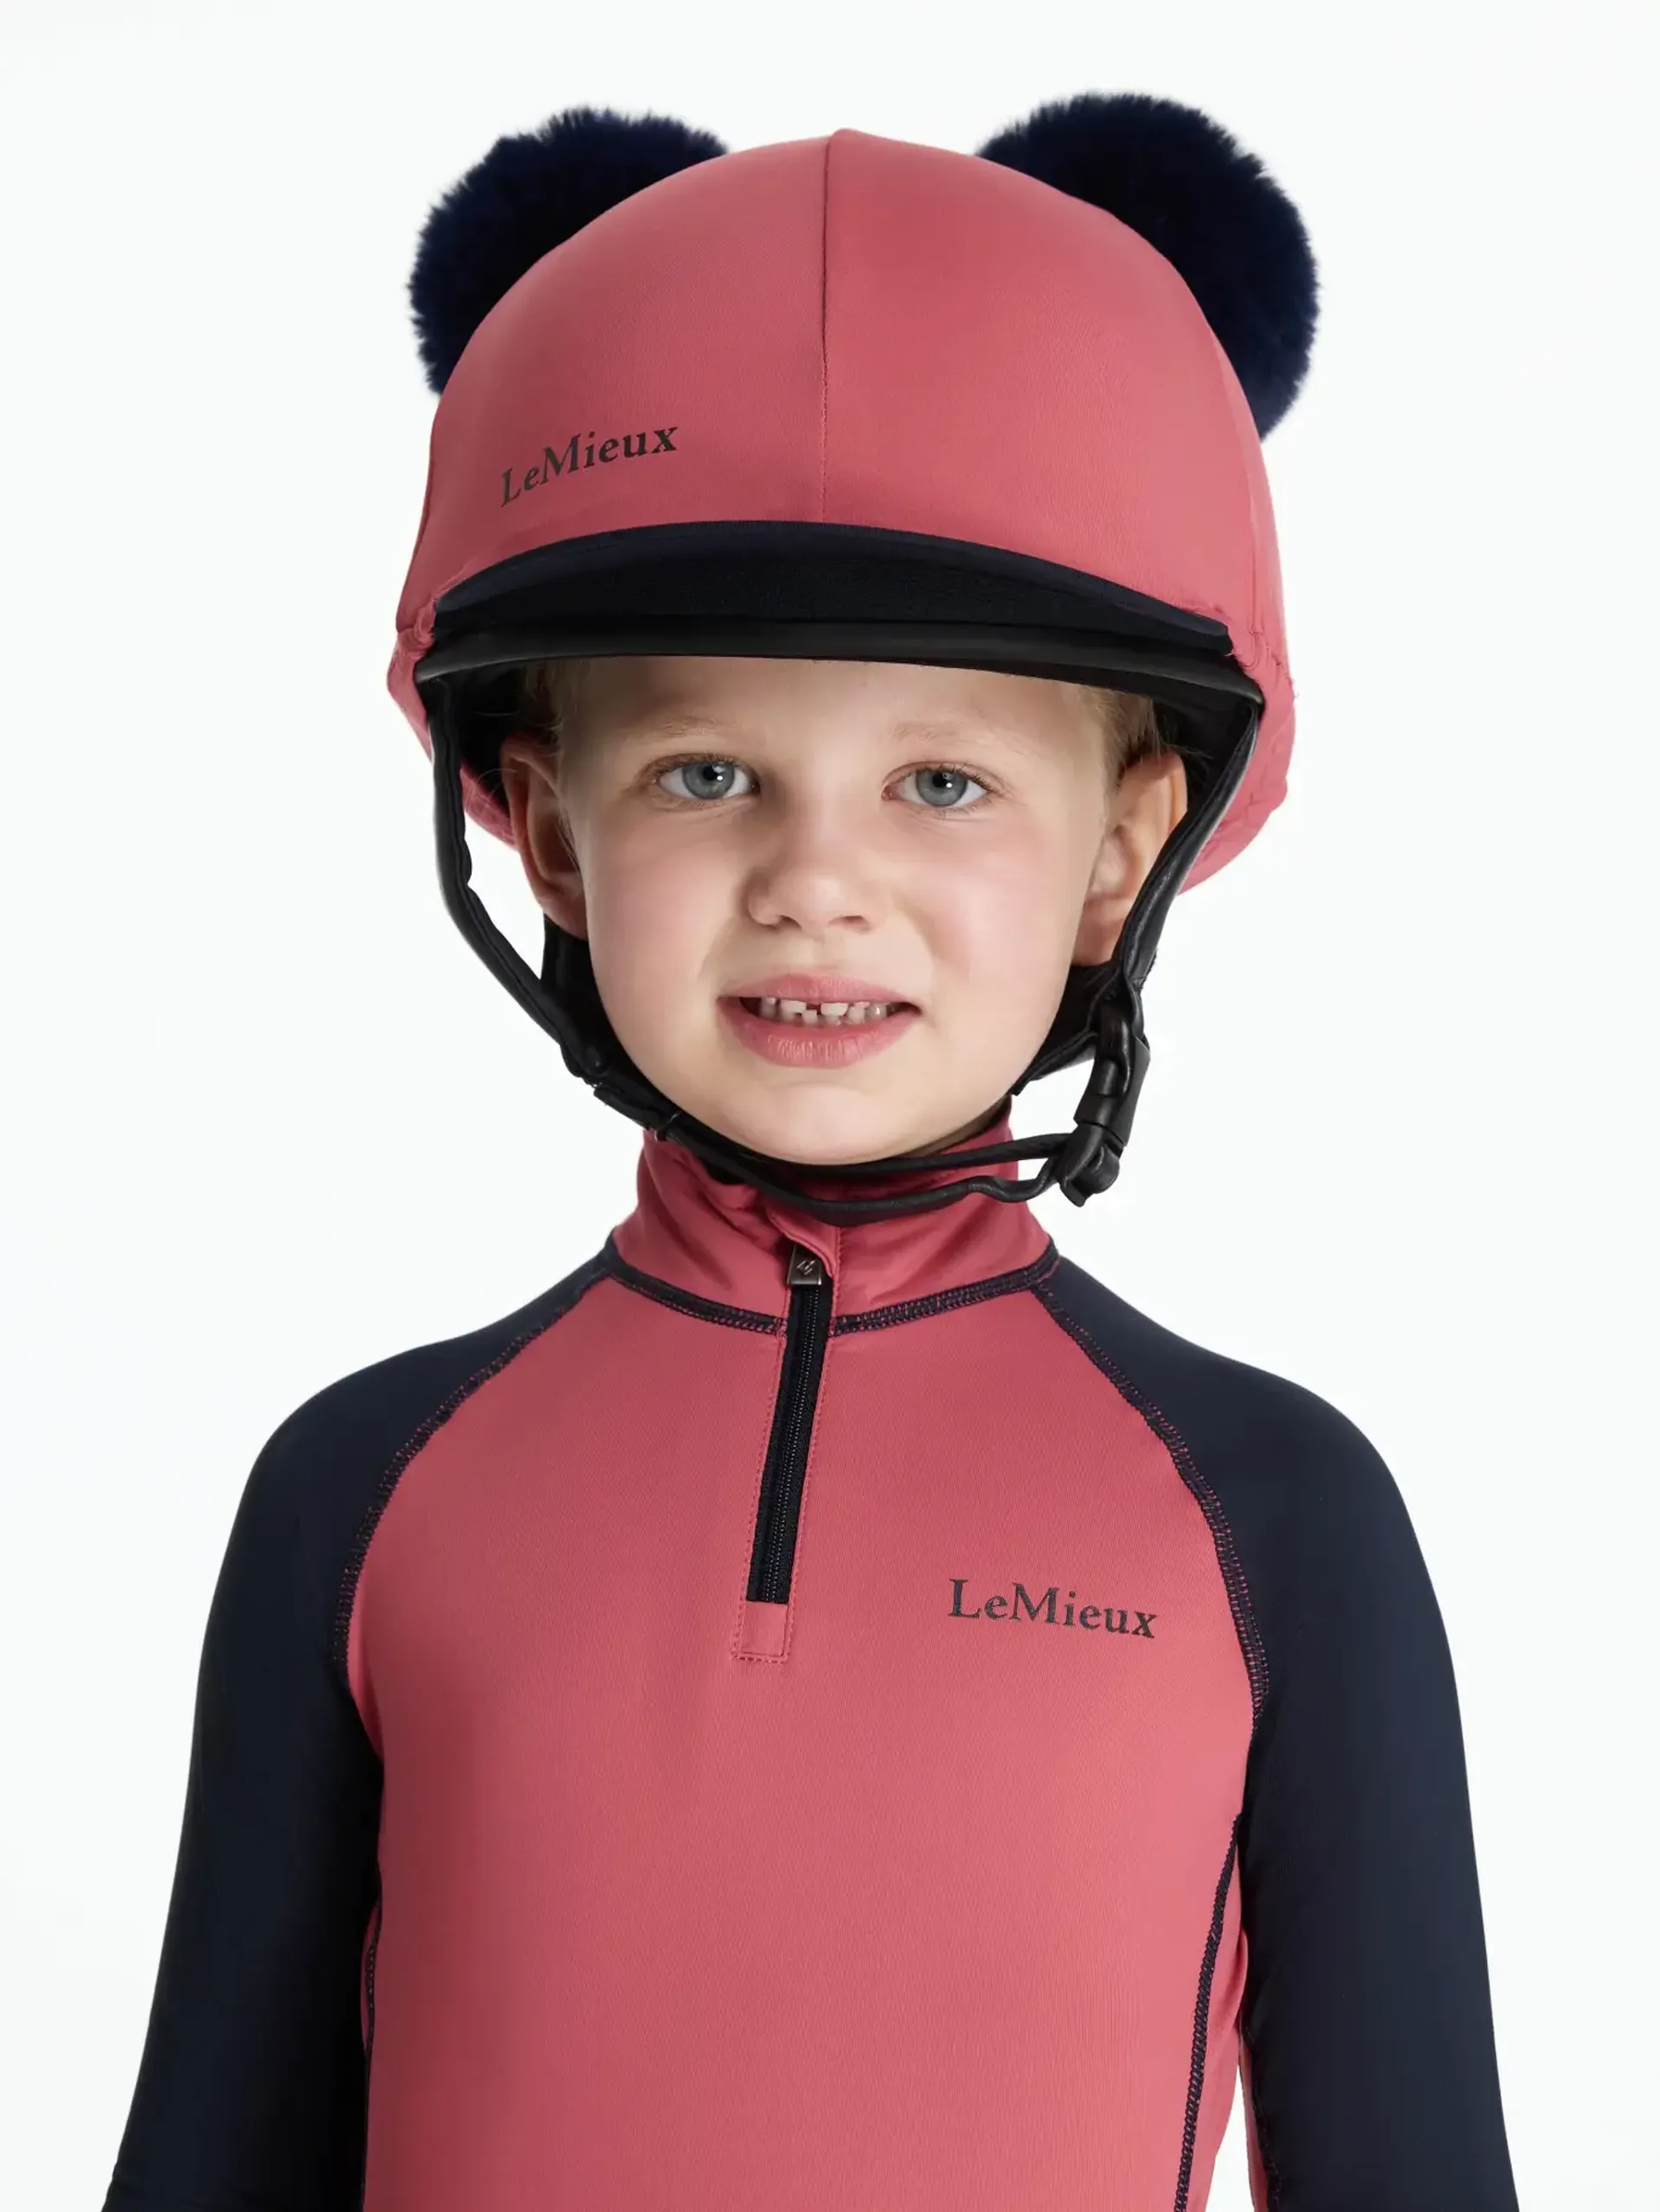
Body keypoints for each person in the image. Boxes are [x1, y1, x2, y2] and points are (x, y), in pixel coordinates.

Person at [99, 93, 1521, 2212]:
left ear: (1125, 845)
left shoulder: (1278, 1518)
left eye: (942, 782)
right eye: (704, 771)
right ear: (548, 827)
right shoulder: (363, 1492)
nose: (814, 882)